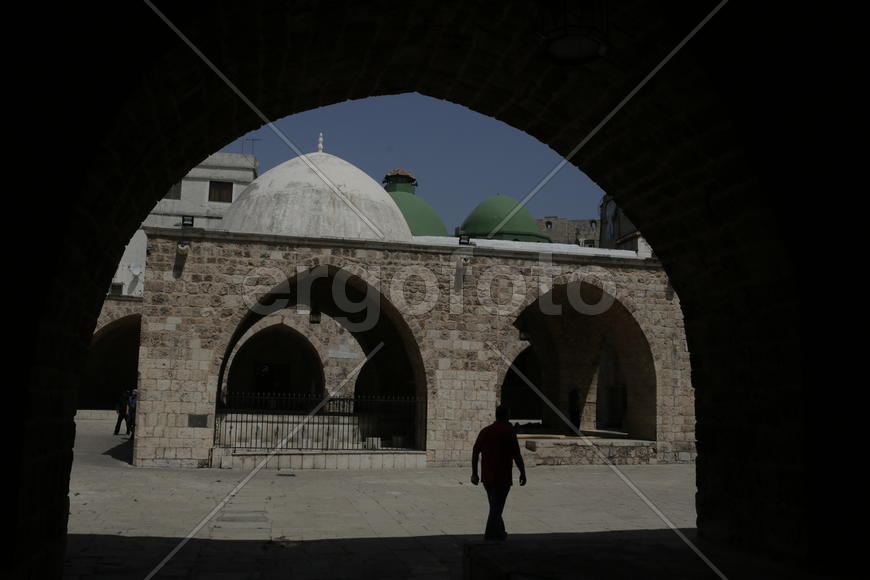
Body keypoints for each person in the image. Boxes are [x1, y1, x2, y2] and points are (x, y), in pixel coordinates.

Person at [471, 404, 527, 540]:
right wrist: (523, 472)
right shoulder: (509, 433)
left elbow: (475, 451)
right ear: (507, 416)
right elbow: (517, 455)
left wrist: (475, 473)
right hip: (502, 477)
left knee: (495, 505)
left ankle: (500, 531)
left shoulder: (486, 431)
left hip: (487, 477)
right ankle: (490, 534)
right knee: (496, 507)